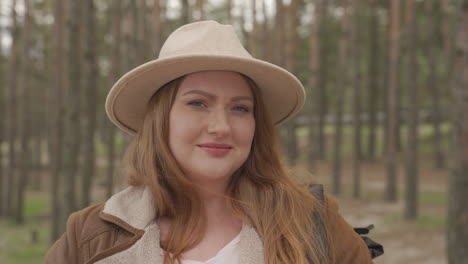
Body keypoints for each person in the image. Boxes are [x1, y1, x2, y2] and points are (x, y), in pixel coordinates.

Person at [45, 20, 373, 264]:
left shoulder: (311, 222)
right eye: (198, 103)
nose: (221, 127)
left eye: (240, 108)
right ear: (162, 120)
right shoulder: (91, 236)